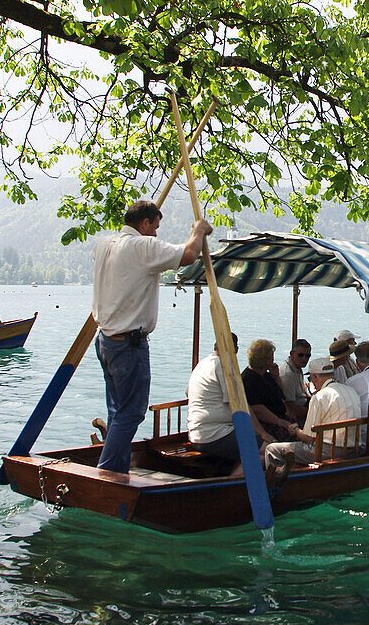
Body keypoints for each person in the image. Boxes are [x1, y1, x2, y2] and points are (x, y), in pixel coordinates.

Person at [91, 200, 212, 473]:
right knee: (131, 412)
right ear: (144, 223)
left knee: (118, 411)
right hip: (128, 343)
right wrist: (199, 229)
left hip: (106, 340)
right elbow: (189, 254)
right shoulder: (141, 247)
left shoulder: (103, 244)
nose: (157, 233)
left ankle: (117, 467)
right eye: (155, 226)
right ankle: (108, 472)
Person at [188, 334, 275, 477]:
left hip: (197, 432)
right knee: (269, 451)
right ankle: (230, 483)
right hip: (215, 434)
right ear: (236, 350)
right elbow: (240, 404)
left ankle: (233, 476)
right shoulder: (223, 366)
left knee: (253, 450)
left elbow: (188, 393)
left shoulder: (202, 364)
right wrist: (262, 433)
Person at [264, 357, 363, 469]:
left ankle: (279, 483)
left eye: (310, 378)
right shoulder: (351, 391)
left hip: (327, 452)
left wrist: (295, 430)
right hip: (353, 449)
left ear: (314, 377)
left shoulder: (319, 397)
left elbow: (308, 438)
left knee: (272, 449)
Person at [242, 339, 299, 442]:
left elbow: (282, 395)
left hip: (281, 417)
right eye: (271, 357)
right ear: (266, 359)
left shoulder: (266, 376)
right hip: (269, 423)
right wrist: (280, 422)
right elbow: (257, 409)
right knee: (295, 436)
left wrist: (276, 377)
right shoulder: (250, 379)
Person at [279, 338, 312, 421]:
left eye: (308, 356)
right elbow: (291, 408)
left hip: (304, 405)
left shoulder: (297, 367)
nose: (304, 358)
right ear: (292, 353)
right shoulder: (288, 374)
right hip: (297, 415)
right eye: (300, 355)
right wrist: (312, 412)